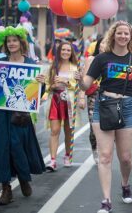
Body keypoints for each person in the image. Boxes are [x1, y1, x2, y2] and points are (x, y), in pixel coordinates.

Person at [76, 21, 132, 213]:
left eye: (127, 34)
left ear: (130, 37)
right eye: (120, 33)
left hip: (127, 107)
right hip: (104, 106)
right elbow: (86, 85)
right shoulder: (102, 59)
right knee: (105, 156)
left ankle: (125, 184)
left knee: (125, 158)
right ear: (113, 35)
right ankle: (106, 200)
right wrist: (79, 82)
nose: (123, 36)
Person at [0, 26, 46, 205]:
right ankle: (6, 189)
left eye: (14, 40)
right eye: (8, 41)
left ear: (21, 43)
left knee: (18, 147)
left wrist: (41, 84)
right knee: (1, 149)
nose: (11, 44)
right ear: (5, 44)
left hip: (20, 116)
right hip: (0, 115)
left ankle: (23, 177)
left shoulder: (30, 64)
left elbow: (36, 93)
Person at [43, 41, 85, 171]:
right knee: (54, 130)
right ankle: (53, 160)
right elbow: (47, 85)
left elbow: (79, 86)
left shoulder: (76, 68)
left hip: (69, 102)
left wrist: (66, 82)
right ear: (59, 52)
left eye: (68, 50)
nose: (65, 52)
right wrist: (51, 85)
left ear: (71, 52)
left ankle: (68, 155)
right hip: (55, 100)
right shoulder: (53, 67)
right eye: (63, 50)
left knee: (68, 131)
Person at [84, 37, 106, 164]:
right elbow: (84, 78)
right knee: (94, 125)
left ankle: (103, 151)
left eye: (107, 42)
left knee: (106, 126)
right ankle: (95, 149)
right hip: (93, 95)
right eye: (102, 42)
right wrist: (81, 96)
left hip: (108, 97)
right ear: (98, 45)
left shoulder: (113, 58)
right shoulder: (91, 59)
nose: (104, 45)